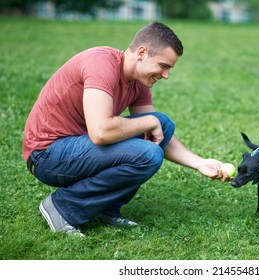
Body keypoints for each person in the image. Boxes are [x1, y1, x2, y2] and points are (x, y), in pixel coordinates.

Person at [22, 22, 231, 237]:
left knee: (162, 123)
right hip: (47, 155)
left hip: (78, 147)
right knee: (148, 153)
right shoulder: (101, 64)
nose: (166, 75)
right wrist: (149, 122)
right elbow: (101, 132)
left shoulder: (138, 81)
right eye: (163, 66)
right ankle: (62, 208)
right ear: (142, 52)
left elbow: (157, 132)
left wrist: (199, 163)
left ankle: (105, 208)